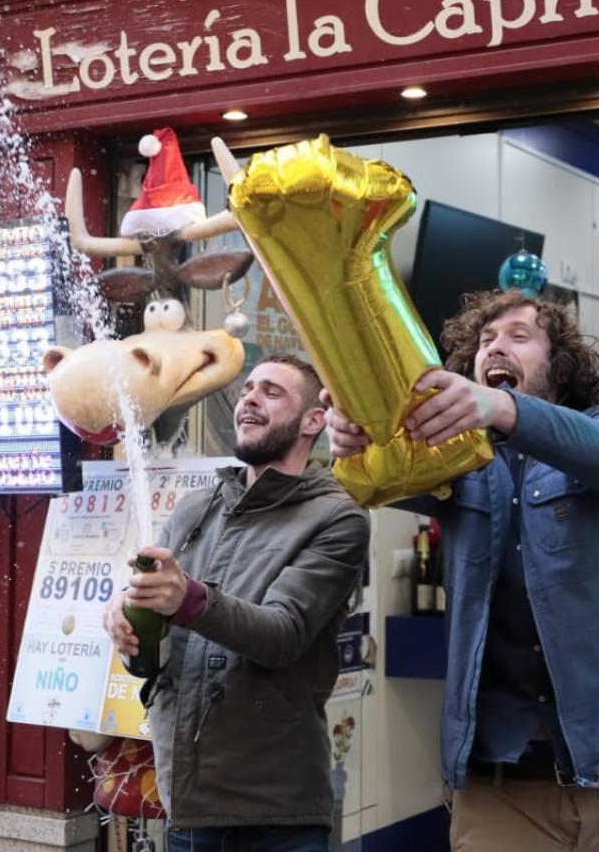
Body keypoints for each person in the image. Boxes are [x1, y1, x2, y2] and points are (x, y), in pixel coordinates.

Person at [326, 290, 599, 852]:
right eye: (485, 341)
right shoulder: (456, 459)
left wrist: (502, 410)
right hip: (498, 791)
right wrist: (352, 443)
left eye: (518, 337)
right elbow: (377, 475)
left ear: (561, 365)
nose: (495, 347)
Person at [104, 353, 370, 852]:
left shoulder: (338, 518)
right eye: (248, 388)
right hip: (186, 804)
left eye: (272, 391)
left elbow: (281, 634)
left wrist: (188, 599)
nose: (249, 397)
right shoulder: (195, 508)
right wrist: (127, 617)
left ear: (314, 420)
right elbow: (154, 656)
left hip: (276, 816)